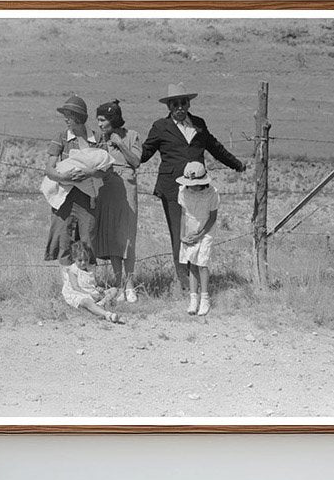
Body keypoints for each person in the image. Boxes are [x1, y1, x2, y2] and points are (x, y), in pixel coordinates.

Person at [141, 83, 245, 289]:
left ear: (189, 104)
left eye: (183, 102)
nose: (179, 107)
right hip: (172, 189)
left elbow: (215, 148)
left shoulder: (199, 124)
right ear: (169, 106)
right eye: (175, 104)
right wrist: (123, 150)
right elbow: (144, 153)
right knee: (179, 234)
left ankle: (196, 279)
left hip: (198, 188)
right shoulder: (160, 127)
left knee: (198, 232)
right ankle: (185, 284)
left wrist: (236, 164)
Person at [43, 95, 108, 266]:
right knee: (64, 239)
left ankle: (88, 279)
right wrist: (62, 177)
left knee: (88, 240)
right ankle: (68, 280)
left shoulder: (97, 139)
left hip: (88, 199)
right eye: (65, 115)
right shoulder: (61, 137)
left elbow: (106, 170)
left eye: (69, 116)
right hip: (64, 197)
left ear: (78, 117)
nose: (66, 119)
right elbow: (49, 169)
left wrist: (90, 173)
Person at [93, 99, 142, 302]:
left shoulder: (132, 136)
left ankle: (130, 285)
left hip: (127, 189)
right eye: (98, 120)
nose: (99, 124)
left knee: (127, 237)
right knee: (113, 237)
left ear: (112, 119)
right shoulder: (99, 140)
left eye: (102, 120)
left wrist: (120, 144)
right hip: (106, 189)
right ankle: (119, 284)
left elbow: (136, 161)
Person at [176, 161, 220, 316]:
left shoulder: (212, 193)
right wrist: (182, 235)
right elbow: (183, 214)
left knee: (202, 263)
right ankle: (193, 299)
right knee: (192, 264)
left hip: (206, 230)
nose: (192, 187)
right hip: (190, 229)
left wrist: (200, 235)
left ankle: (205, 298)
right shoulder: (183, 191)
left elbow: (213, 217)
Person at [61, 241, 124, 324]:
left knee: (114, 290)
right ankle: (107, 314)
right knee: (86, 301)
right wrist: (90, 294)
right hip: (79, 293)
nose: (83, 263)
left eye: (86, 260)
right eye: (80, 260)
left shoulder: (90, 268)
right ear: (74, 258)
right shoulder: (73, 270)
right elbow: (75, 287)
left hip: (91, 291)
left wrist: (98, 288)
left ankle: (100, 304)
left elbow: (92, 284)